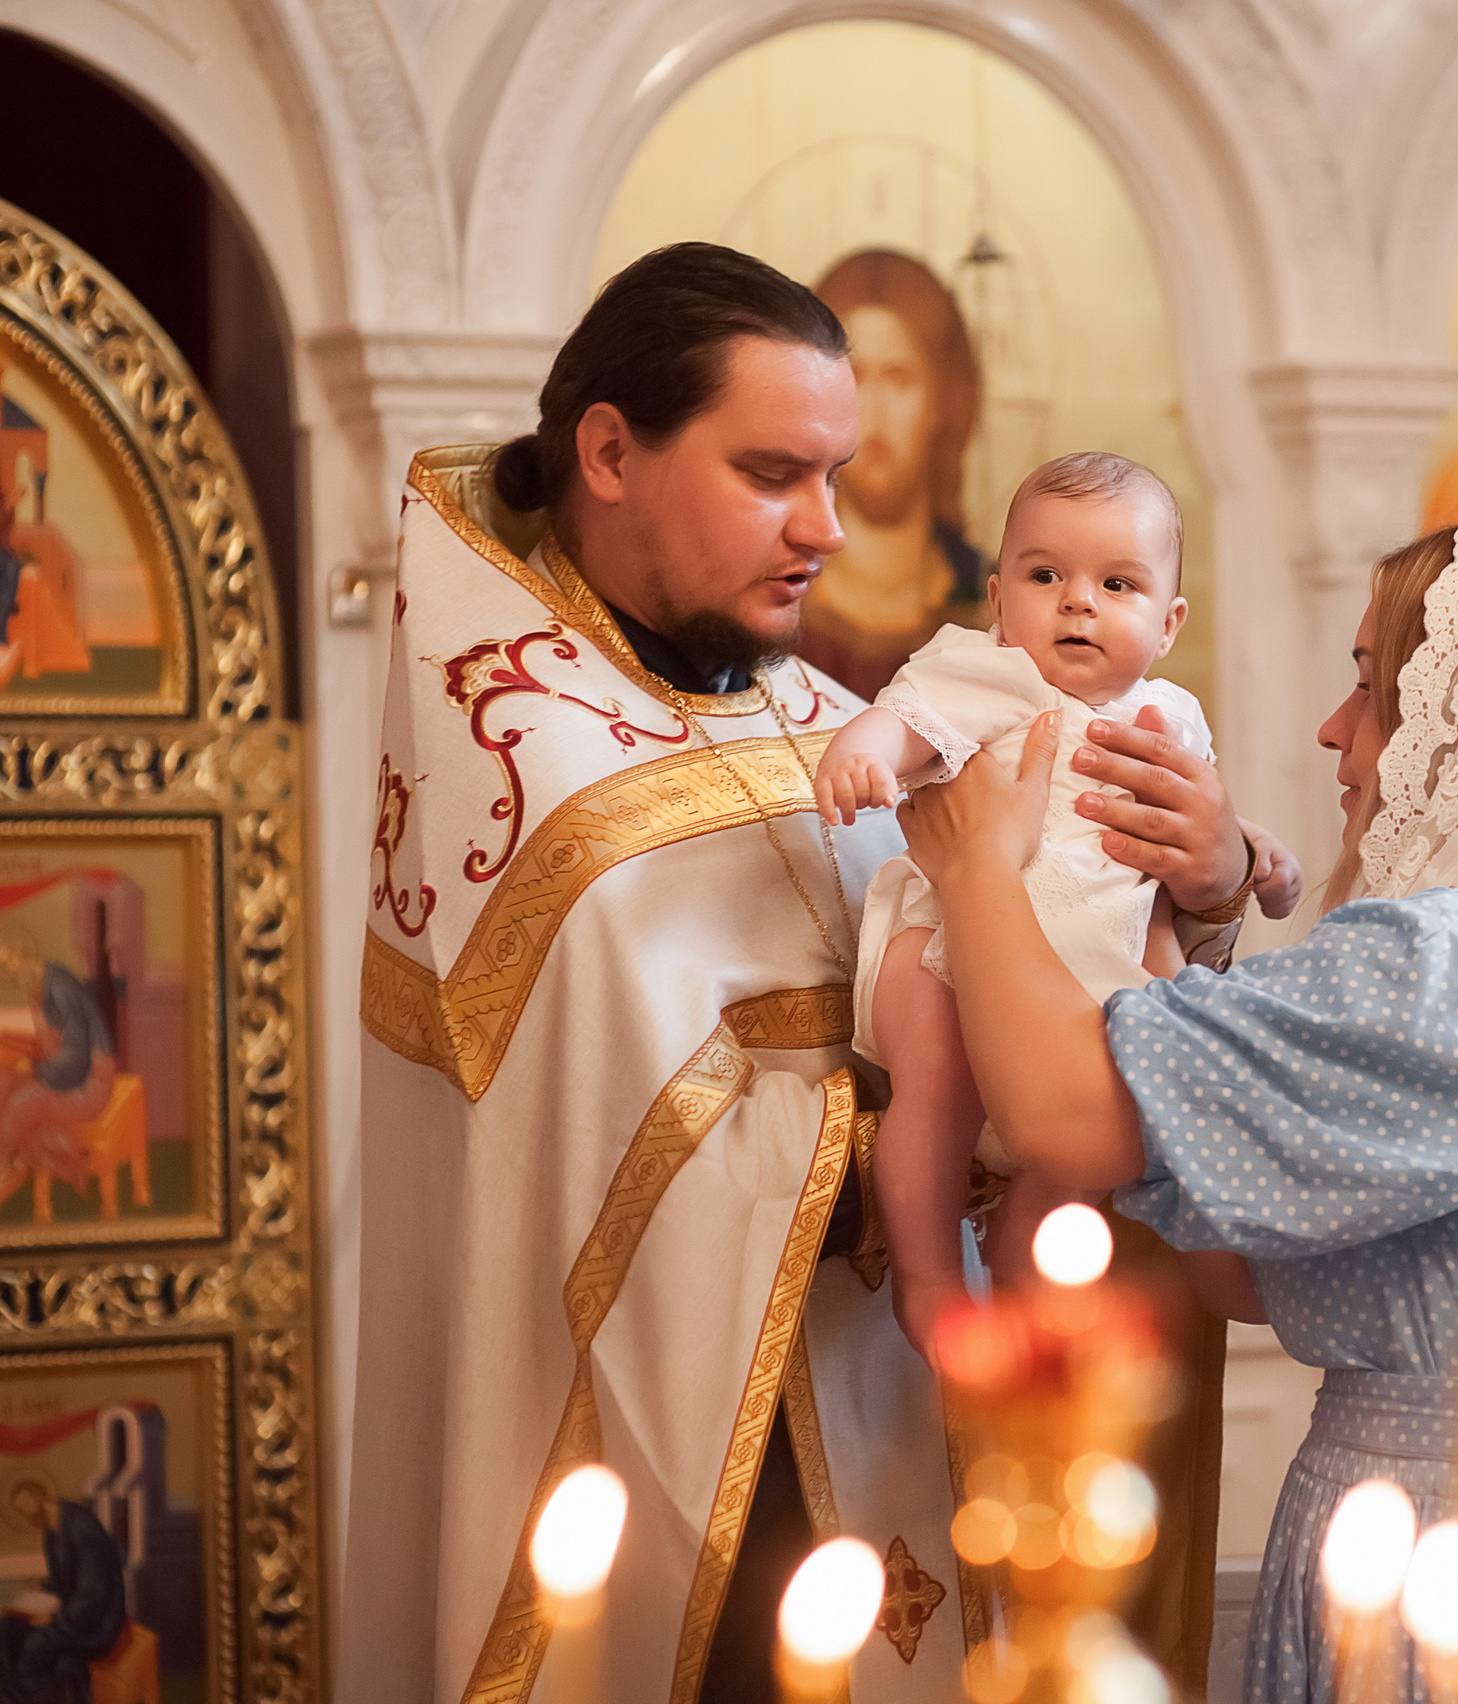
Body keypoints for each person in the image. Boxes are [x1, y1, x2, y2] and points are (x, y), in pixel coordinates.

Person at [347, 243, 1244, 1703]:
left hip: (912, 1443)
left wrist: (1200, 896)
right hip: (681, 1491)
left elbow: (1026, 946)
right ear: (610, 450)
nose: (827, 527)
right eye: (775, 473)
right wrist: (980, 1130)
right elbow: (610, 1157)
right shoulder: (520, 752)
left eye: (839, 474)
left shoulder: (823, 711)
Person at [901, 505, 1458, 1703]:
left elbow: (1065, 1117)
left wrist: (973, 868)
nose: (1337, 735)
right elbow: (1240, 1265)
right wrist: (1184, 924)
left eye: (1373, 692)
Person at [815, 450, 1300, 1351]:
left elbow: (1200, 819)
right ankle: (925, 1277)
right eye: (1047, 576)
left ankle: (1026, 1260)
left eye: (1118, 583)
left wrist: (1253, 856)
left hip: (1102, 962)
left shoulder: (1171, 716)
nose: (1078, 601)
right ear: (999, 601)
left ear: (1167, 622)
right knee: (939, 1086)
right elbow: (906, 715)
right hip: (948, 947)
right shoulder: (990, 677)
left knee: (1101, 1130)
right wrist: (862, 748)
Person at [799, 250, 989, 700]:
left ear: (940, 403)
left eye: (899, 377)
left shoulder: (992, 601)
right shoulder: (775, 597)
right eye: (854, 376)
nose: (874, 410)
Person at [0, 939, 113, 1197]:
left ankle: (2, 1170)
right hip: (63, 1075)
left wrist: (33, 1071)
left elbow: (76, 1061)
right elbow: (53, 1042)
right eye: (3, 968)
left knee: (22, 1104)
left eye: (9, 964)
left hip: (89, 1084)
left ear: (24, 952)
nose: (9, 973)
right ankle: (8, 1165)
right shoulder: (41, 986)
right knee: (3, 1081)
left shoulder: (60, 988)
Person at [0, 1479, 128, 1704]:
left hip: (96, 1622)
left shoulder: (80, 1525)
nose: (26, 1514)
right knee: (7, 1628)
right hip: (72, 1612)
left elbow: (93, 1594)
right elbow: (62, 1582)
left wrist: (53, 1618)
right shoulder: (50, 1529)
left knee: (37, 1644)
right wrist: (39, 1591)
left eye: (27, 1504)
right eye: (21, 1511)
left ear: (39, 1496)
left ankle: (24, 1698)